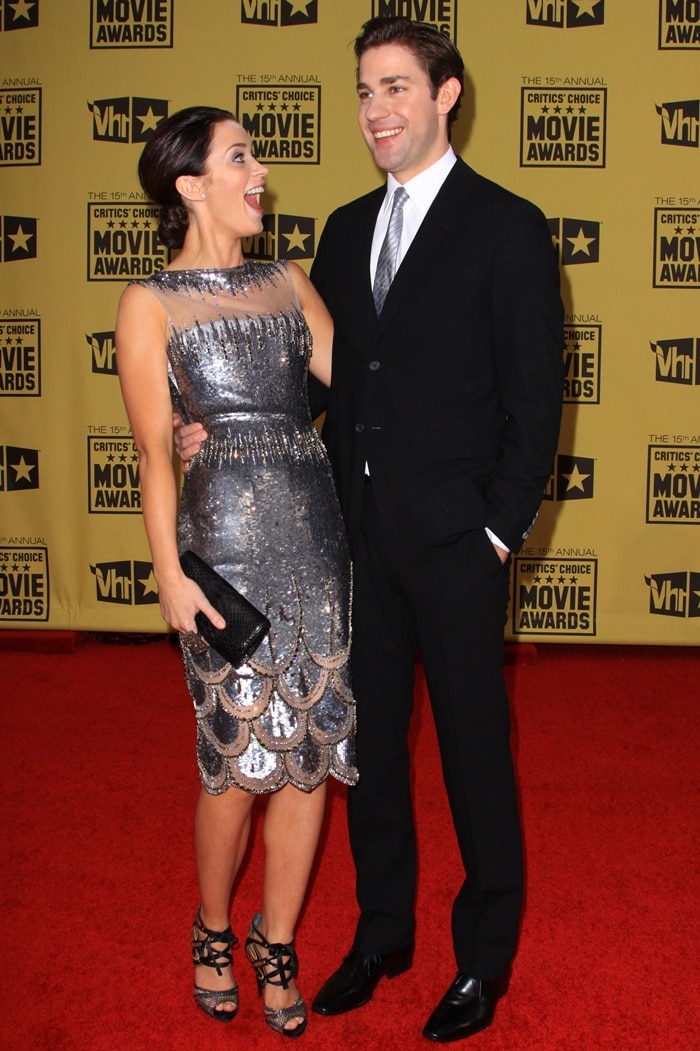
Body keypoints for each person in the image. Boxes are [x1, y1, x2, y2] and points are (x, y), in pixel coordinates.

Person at [175, 16, 564, 1043]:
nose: (375, 109)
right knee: (371, 753)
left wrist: (495, 533)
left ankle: (482, 957)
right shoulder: (344, 230)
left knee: (476, 757)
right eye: (362, 90)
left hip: (457, 547)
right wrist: (213, 430)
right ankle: (384, 928)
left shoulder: (507, 226)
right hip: (352, 543)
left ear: (446, 95)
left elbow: (537, 397)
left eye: (396, 87)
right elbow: (335, 390)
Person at [115, 105, 357, 1038]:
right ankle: (213, 928)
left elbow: (356, 381)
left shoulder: (288, 281)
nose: (261, 171)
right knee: (235, 766)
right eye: (241, 157)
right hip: (221, 554)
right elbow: (151, 452)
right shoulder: (149, 304)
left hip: (314, 537)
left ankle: (277, 941)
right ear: (190, 184)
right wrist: (170, 574)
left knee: (310, 764)